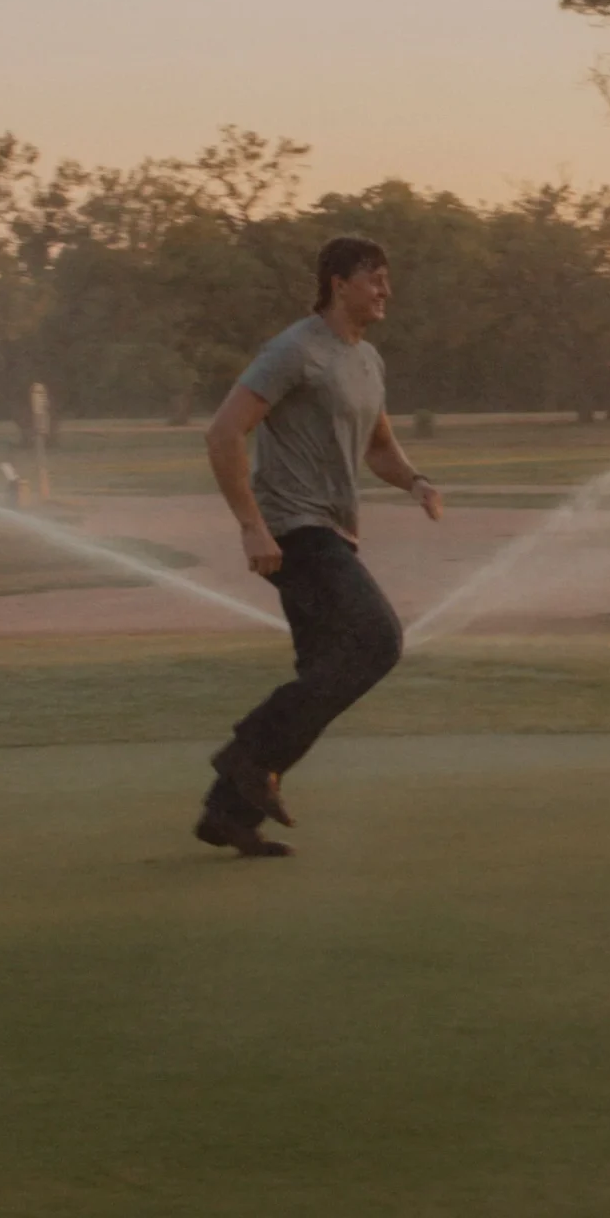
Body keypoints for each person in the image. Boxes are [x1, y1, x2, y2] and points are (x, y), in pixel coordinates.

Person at [195, 234, 442, 857]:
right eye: (374, 278)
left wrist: (414, 480)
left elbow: (378, 447)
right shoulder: (294, 350)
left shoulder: (367, 360)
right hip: (293, 528)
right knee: (378, 640)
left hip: (335, 529)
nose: (385, 290)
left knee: (325, 671)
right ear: (338, 283)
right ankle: (249, 754)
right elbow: (224, 433)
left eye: (387, 278)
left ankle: (227, 812)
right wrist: (251, 526)